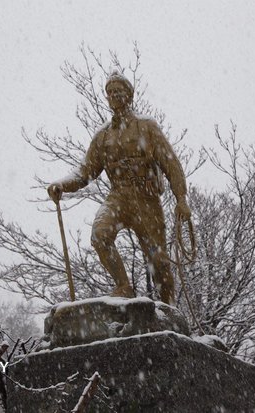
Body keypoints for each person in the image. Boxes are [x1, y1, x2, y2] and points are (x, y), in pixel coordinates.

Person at [47, 72, 190, 305]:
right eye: (110, 93)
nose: (114, 96)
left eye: (118, 91)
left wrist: (181, 198)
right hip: (119, 197)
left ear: (129, 96)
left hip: (146, 198)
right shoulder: (103, 136)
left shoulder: (147, 127)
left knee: (158, 261)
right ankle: (123, 286)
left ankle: (168, 308)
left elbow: (171, 163)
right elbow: (85, 172)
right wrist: (62, 185)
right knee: (100, 235)